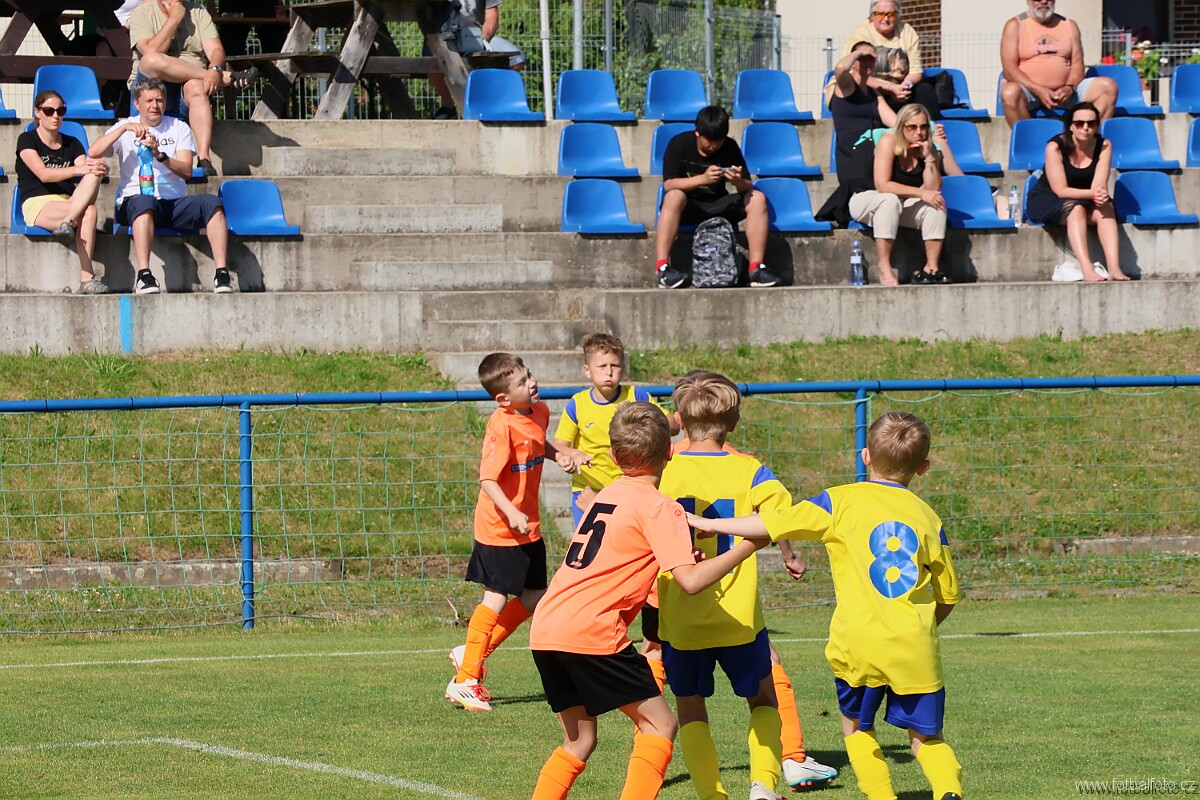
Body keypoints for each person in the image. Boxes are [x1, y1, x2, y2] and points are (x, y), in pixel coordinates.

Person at [689, 411, 964, 800]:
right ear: (923, 468)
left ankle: (882, 796)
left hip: (857, 644)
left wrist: (714, 524)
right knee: (927, 738)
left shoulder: (839, 501)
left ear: (865, 455)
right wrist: (925, 625)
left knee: (857, 729)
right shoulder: (928, 518)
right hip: (915, 646)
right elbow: (948, 595)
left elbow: (773, 522)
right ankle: (948, 789)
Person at [528, 401, 767, 800]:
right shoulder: (660, 506)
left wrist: (679, 556)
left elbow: (622, 554)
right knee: (660, 725)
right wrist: (748, 546)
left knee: (579, 741)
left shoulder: (606, 495)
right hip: (592, 631)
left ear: (613, 455)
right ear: (670, 451)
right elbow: (690, 582)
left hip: (548, 627)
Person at [657, 372, 839, 798]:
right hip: (738, 619)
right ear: (734, 423)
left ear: (679, 418)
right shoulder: (750, 470)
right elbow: (783, 517)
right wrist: (787, 552)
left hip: (681, 617)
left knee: (691, 709)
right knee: (762, 700)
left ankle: (711, 794)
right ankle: (763, 787)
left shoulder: (663, 468)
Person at [445, 353, 569, 712]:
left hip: (527, 527)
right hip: (499, 528)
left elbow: (536, 443)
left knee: (535, 596)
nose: (531, 383)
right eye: (521, 382)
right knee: (495, 599)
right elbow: (487, 479)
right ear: (503, 398)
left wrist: (559, 455)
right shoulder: (501, 426)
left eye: (529, 375)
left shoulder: (539, 411)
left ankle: (473, 651)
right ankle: (466, 680)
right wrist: (511, 511)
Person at [551, 333, 675, 693]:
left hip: (636, 494)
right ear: (586, 370)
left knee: (648, 571)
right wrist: (570, 455)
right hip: (592, 500)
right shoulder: (577, 405)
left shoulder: (638, 397)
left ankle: (652, 649)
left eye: (616, 365)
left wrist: (680, 421)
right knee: (598, 568)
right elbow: (560, 443)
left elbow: (664, 426)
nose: (609, 372)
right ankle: (595, 632)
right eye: (602, 366)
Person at [90, 77, 237, 295]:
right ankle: (144, 275)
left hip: (173, 202)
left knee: (212, 203)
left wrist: (160, 155)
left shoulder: (178, 127)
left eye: (159, 100)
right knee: (144, 202)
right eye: (149, 101)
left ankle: (222, 273)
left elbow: (187, 171)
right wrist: (124, 129)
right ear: (137, 104)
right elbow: (93, 152)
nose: (154, 105)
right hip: (135, 201)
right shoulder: (124, 126)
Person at [129, 0, 260, 176]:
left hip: (187, 90)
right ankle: (225, 80)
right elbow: (151, 51)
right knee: (150, 60)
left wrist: (215, 69)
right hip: (152, 88)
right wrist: (175, 18)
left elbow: (216, 50)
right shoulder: (142, 12)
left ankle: (204, 158)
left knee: (196, 86)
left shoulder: (198, 11)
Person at [655, 106, 778, 290]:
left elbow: (747, 185)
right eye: (709, 141)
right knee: (674, 196)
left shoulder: (729, 146)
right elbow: (669, 184)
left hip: (719, 205)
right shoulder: (679, 143)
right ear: (697, 132)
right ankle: (662, 269)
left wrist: (737, 181)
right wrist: (702, 179)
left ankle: (756, 269)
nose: (713, 146)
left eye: (718, 141)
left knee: (757, 198)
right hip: (689, 207)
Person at [16, 90, 110, 295]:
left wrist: (101, 169)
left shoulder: (72, 143)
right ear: (37, 112)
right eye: (49, 111)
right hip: (38, 203)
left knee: (94, 175)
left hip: (70, 203)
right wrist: (78, 169)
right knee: (89, 211)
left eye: (60, 111)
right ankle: (87, 277)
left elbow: (86, 169)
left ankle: (68, 224)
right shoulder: (27, 140)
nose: (56, 116)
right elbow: (43, 175)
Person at [849, 103, 953, 286]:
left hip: (900, 203)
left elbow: (932, 189)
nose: (919, 132)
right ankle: (884, 266)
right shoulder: (888, 141)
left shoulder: (929, 148)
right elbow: (882, 185)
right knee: (889, 200)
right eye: (912, 127)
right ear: (901, 127)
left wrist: (929, 159)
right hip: (866, 197)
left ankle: (932, 268)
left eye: (923, 127)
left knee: (936, 205)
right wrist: (920, 193)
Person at [1026, 102, 1130, 282]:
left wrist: (1100, 195)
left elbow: (1099, 184)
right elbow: (1060, 190)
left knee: (1106, 207)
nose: (1086, 128)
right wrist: (1093, 194)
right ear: (1071, 126)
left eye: (1091, 123)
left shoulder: (1104, 145)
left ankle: (1114, 268)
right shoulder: (1055, 147)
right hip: (1048, 198)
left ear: (1097, 125)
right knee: (1076, 209)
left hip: (1084, 197)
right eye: (1080, 123)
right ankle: (1087, 268)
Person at [999, 0, 1117, 127]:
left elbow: (1077, 64)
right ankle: (1029, 137)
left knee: (1108, 87)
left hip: (1066, 93)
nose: (1044, 1)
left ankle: (1090, 137)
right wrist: (1039, 90)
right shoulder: (1015, 25)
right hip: (1029, 92)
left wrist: (1069, 88)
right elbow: (1010, 69)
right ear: (1028, 1)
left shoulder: (1069, 25)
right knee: (1009, 93)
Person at [842, 0, 941, 119]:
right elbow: (854, 74)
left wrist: (905, 86)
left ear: (898, 15)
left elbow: (916, 71)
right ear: (872, 16)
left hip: (899, 89)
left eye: (891, 14)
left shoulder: (907, 31)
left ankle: (932, 127)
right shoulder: (861, 33)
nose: (886, 19)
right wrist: (889, 87)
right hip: (872, 89)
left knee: (924, 90)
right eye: (880, 14)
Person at [429, 0, 525, 120]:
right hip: (444, 34)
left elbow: (492, 14)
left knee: (517, 58)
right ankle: (448, 105)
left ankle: (494, 102)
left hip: (477, 32)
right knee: (429, 58)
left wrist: (484, 38)